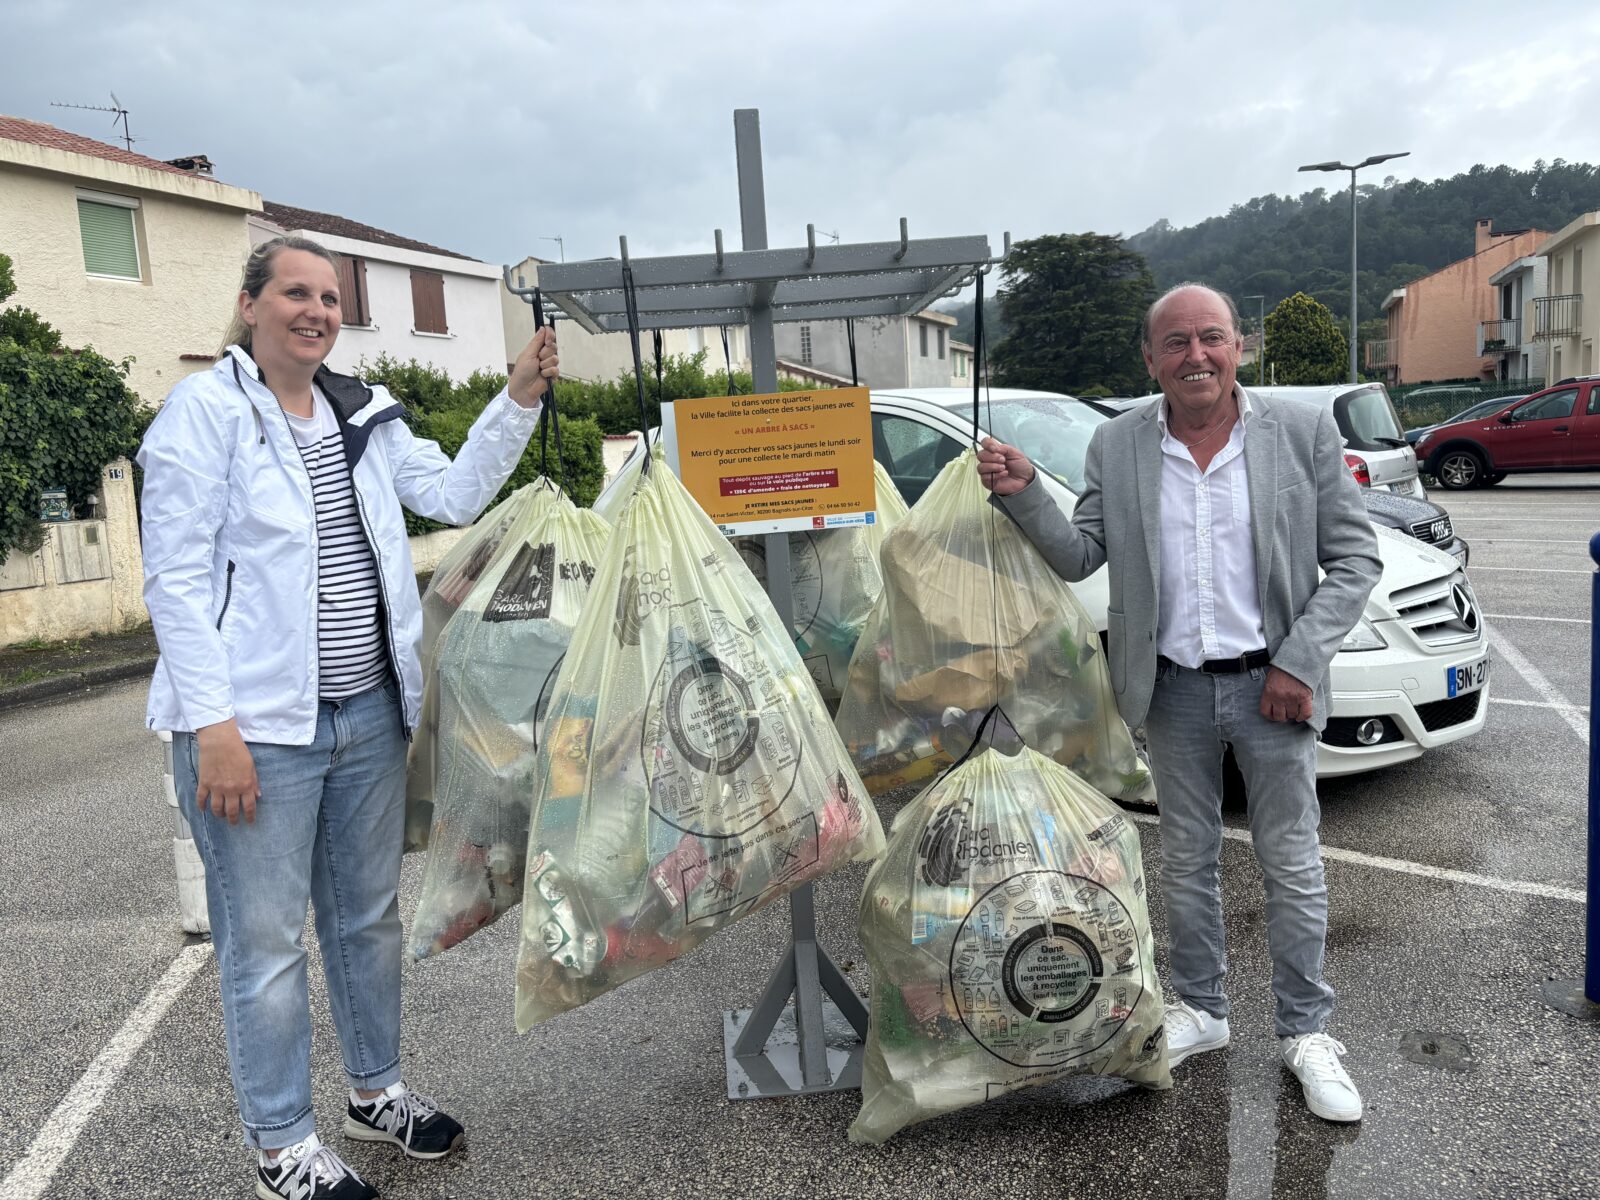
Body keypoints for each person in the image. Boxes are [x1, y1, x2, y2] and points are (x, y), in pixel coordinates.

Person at [138, 235, 558, 1199]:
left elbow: (449, 492)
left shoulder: (361, 413)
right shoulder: (204, 415)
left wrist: (517, 401)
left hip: (367, 714)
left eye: (329, 296)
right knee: (268, 941)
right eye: (295, 292)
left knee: (365, 920)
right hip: (256, 734)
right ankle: (281, 1146)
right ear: (251, 306)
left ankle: (376, 1094)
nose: (316, 310)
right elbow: (174, 582)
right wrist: (214, 729)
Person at [976, 283, 1381, 1123]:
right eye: (1175, 343)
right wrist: (1023, 493)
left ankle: (1307, 1033)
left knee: (1292, 862)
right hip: (1172, 690)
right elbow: (1082, 553)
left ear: (1241, 346)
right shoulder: (1118, 444)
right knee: (1189, 861)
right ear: (1150, 359)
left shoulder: (1301, 433)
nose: (1195, 356)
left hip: (1275, 686)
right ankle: (1204, 1009)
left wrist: (1300, 664)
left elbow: (1353, 561)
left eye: (1211, 338)